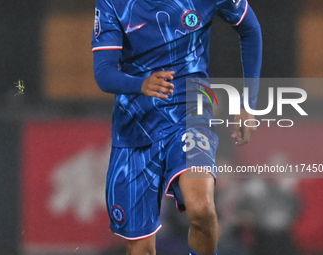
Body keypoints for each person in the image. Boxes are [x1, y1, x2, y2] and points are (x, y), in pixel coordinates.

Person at [92, 0, 262, 254]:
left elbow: (250, 30)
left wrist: (248, 104)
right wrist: (141, 84)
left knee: (202, 209)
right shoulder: (114, 3)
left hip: (191, 113)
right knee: (141, 249)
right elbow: (104, 71)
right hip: (137, 126)